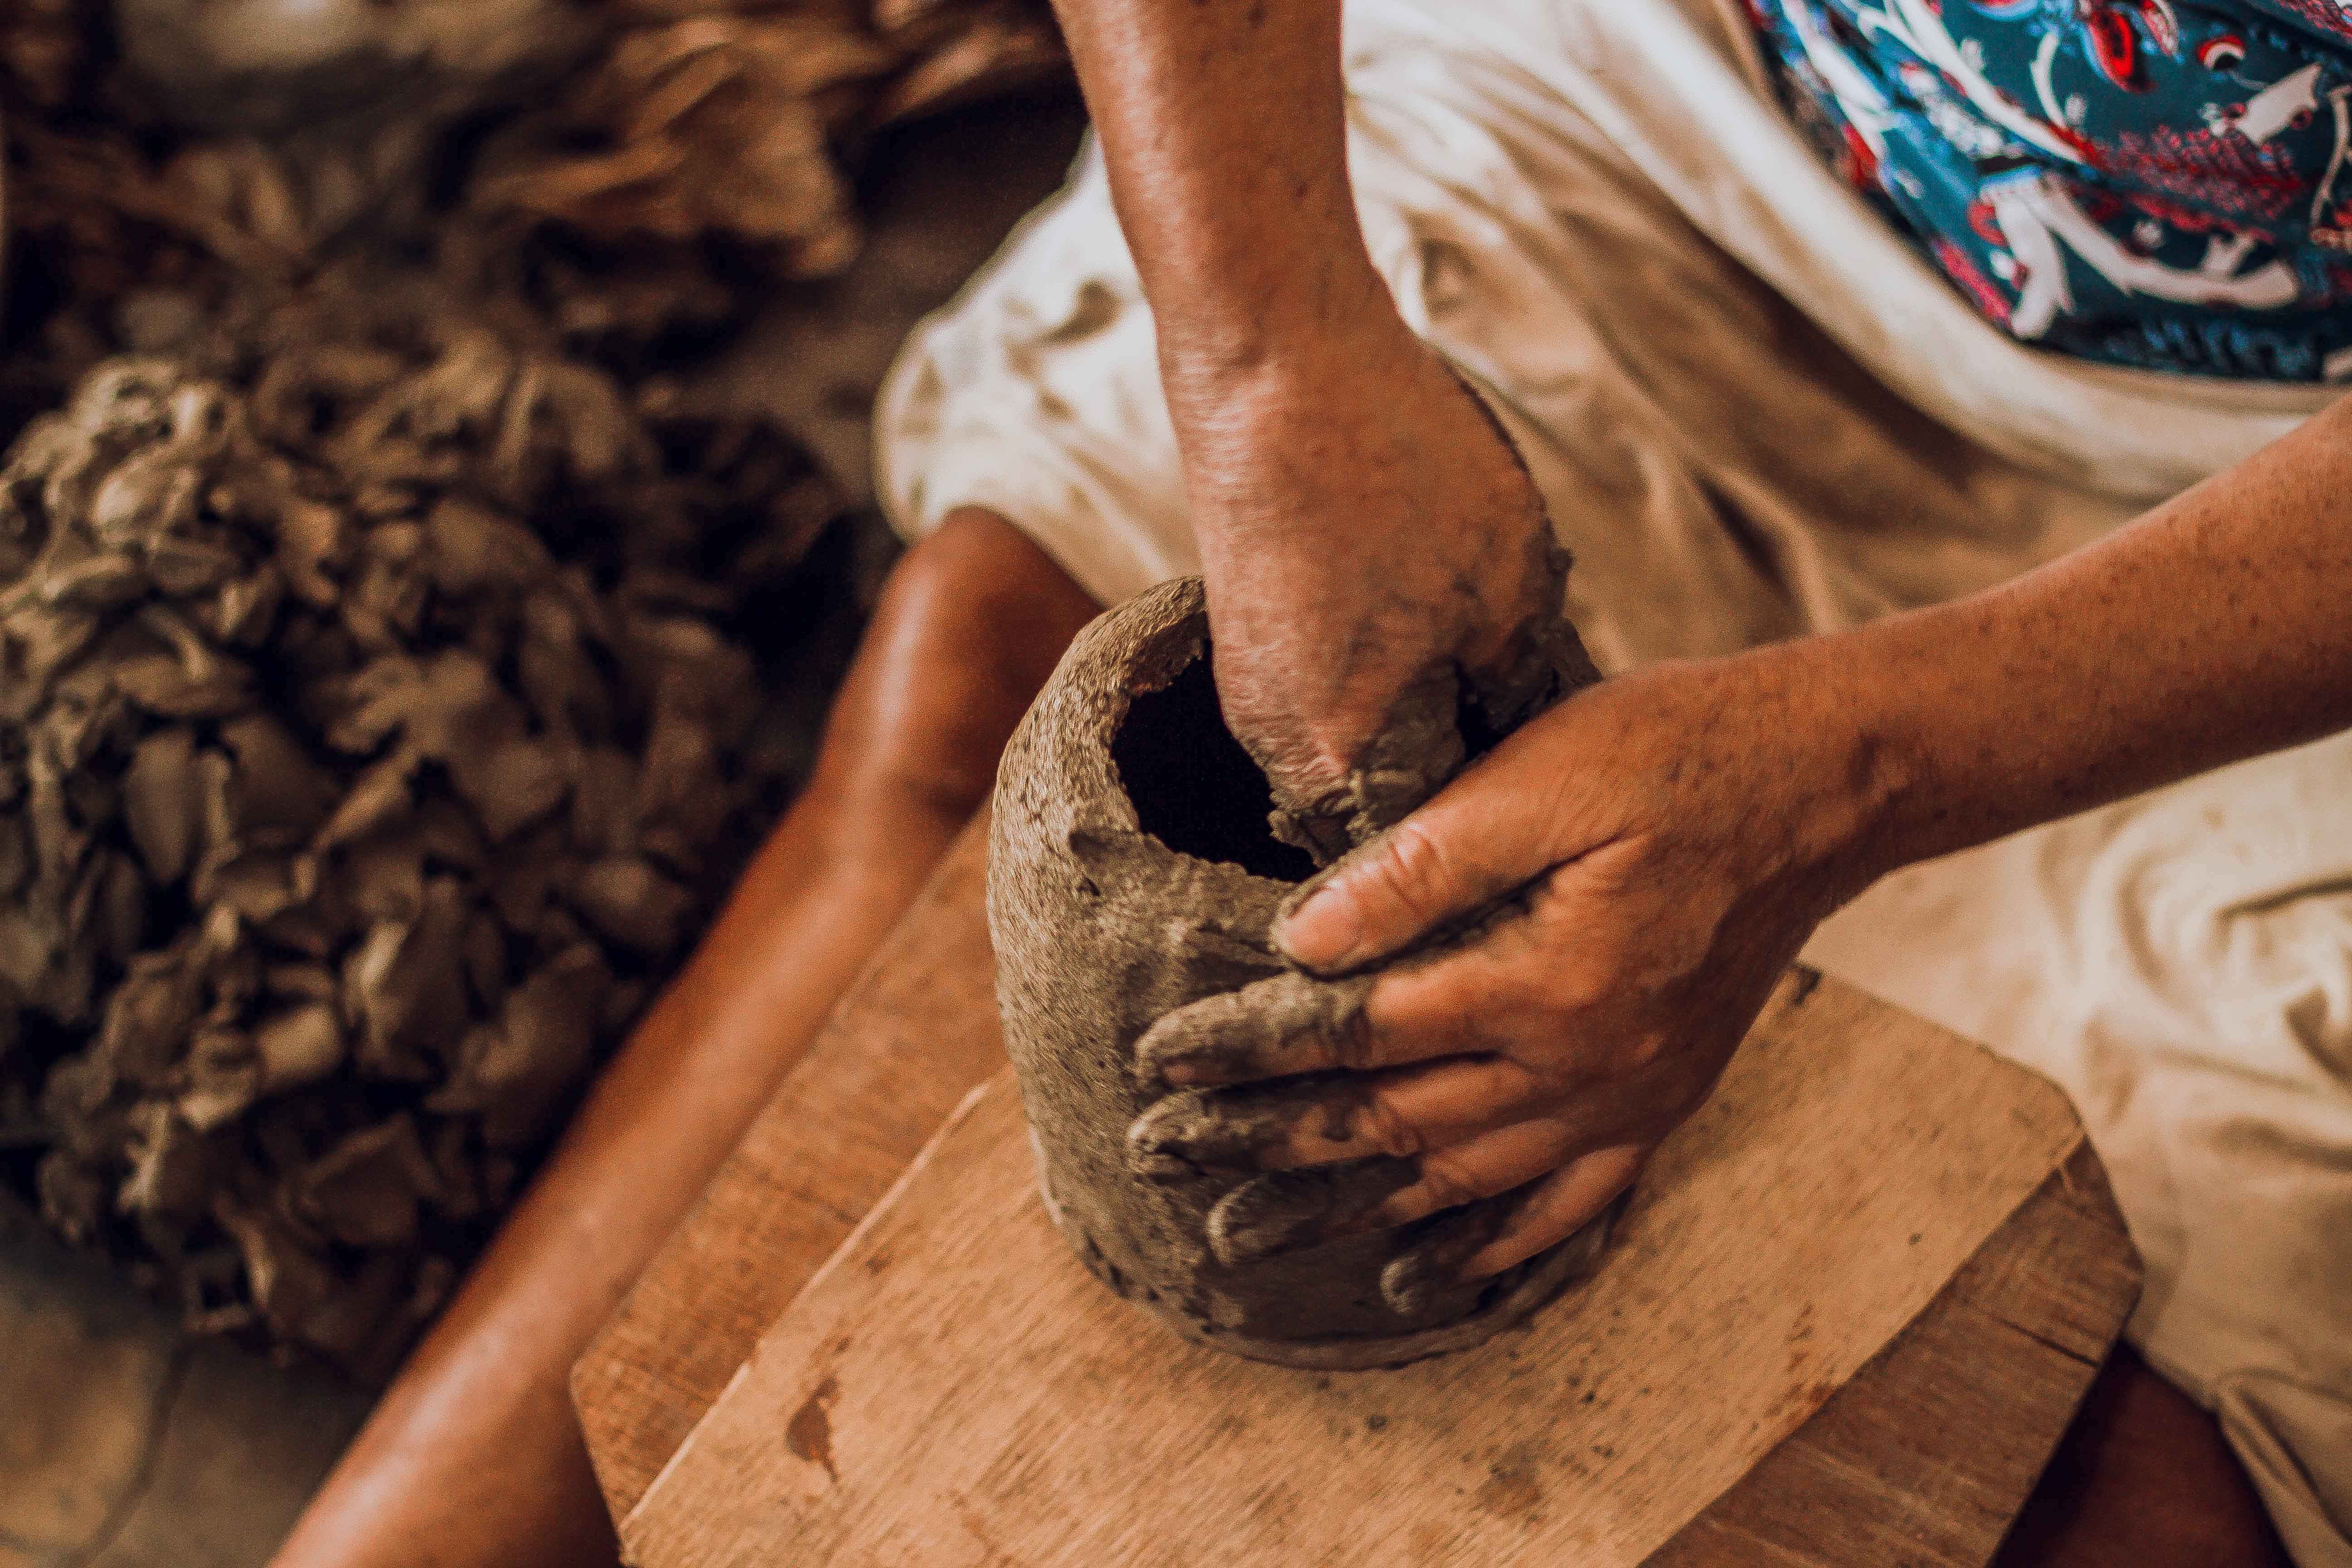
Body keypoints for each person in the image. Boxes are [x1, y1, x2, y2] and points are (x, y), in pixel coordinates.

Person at [272, 1, 2352, 1565]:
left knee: (2124, 1409)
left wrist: (1858, 770)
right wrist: (1264, 351)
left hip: (2284, 502)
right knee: (987, 698)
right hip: (1686, 88)